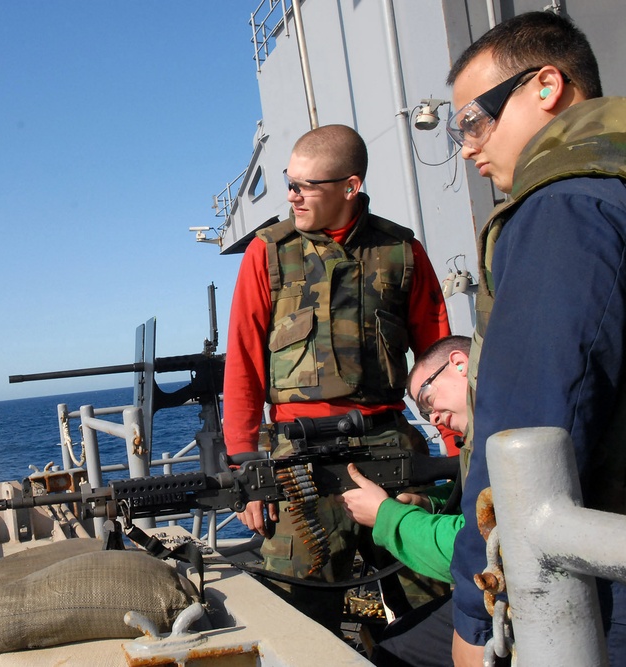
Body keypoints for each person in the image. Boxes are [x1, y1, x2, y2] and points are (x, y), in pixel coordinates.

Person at [444, 11, 626, 665]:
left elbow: (527, 431)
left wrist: (479, 609)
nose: (466, 145)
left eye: (473, 118)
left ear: (547, 85)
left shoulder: (563, 209)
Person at [222, 123, 451, 632]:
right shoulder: (269, 252)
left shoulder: (402, 252)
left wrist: (456, 458)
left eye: (305, 186)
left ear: (350, 187)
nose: (291, 195)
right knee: (299, 621)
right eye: (289, 181)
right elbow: (243, 365)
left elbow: (441, 360)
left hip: (389, 447)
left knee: (434, 607)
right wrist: (247, 472)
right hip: (297, 460)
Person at [340, 335, 471, 667]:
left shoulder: (501, 433)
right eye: (421, 410)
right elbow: (478, 502)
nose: (432, 419)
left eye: (427, 398)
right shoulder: (492, 430)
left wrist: (385, 515)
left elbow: (471, 549)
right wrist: (429, 503)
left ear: (460, 363)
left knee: (396, 651)